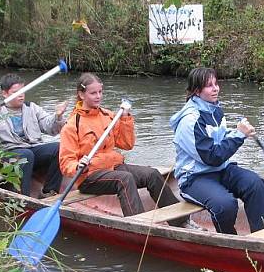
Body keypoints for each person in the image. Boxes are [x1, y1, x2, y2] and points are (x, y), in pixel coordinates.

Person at [58, 72, 190, 225]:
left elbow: (127, 144)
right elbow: (66, 164)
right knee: (124, 179)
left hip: (113, 167)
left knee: (152, 174)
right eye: (93, 93)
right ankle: (139, 225)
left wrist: (125, 118)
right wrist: (78, 166)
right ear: (81, 95)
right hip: (89, 176)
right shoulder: (72, 125)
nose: (98, 96)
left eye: (100, 92)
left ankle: (181, 221)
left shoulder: (108, 115)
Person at [169, 67, 264, 235]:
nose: (215, 88)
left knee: (256, 184)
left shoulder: (215, 109)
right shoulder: (190, 120)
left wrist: (239, 132)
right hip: (194, 178)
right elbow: (212, 156)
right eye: (209, 85)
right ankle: (230, 241)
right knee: (225, 205)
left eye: (216, 83)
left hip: (221, 170)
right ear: (197, 90)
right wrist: (239, 135)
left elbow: (220, 139)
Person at [0, 73, 68, 197]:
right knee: (26, 155)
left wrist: (57, 116)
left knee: (60, 147)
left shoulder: (32, 108)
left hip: (31, 149)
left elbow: (50, 128)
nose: (21, 95)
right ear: (5, 94)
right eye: (15, 92)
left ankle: (50, 192)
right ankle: (22, 197)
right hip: (8, 155)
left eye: (23, 91)